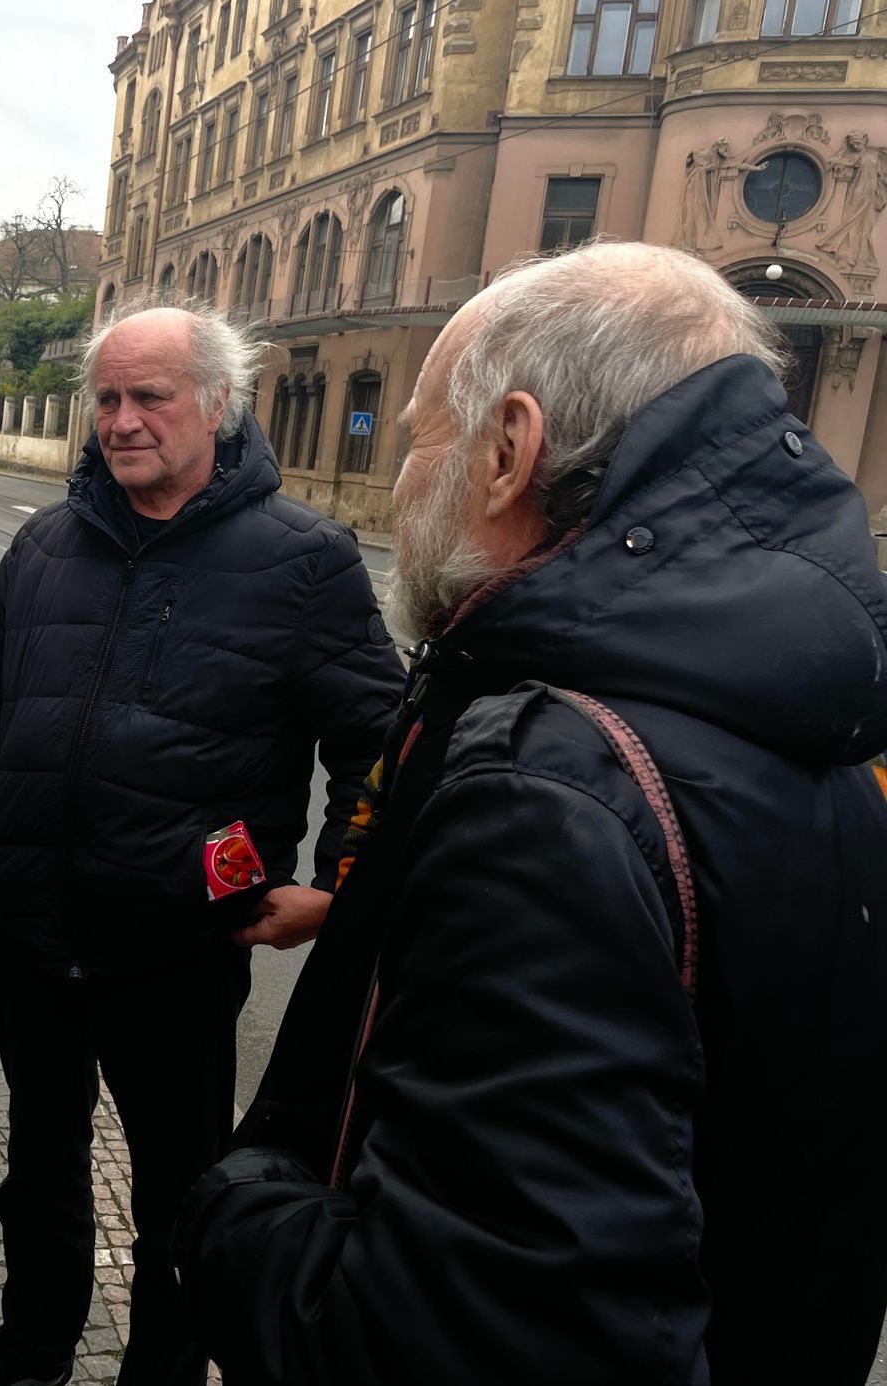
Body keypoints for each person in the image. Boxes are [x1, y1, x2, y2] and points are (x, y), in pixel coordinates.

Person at [177, 241, 887, 1385]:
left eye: (420, 438)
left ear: (511, 450)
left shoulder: (550, 785)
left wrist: (230, 1213)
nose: (407, 479)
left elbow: (449, 1334)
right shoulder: (820, 731)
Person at [0, 304, 404, 1385]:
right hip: (32, 922)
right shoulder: (49, 541)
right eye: (106, 398)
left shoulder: (304, 560)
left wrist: (341, 886)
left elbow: (384, 741)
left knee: (181, 1184)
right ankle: (35, 1341)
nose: (122, 420)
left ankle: (165, 1367)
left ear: (217, 405)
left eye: (150, 396)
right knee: (38, 1160)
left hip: (180, 943)